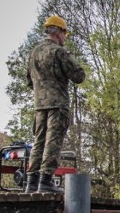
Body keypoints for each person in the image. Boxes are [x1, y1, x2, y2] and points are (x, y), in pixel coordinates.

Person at [25, 15, 85, 193]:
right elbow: (79, 76)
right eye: (65, 34)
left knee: (38, 142)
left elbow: (29, 80)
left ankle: (31, 182)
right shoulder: (59, 52)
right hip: (57, 104)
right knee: (53, 141)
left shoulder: (34, 52)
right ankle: (45, 180)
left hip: (39, 106)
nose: (65, 38)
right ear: (58, 32)